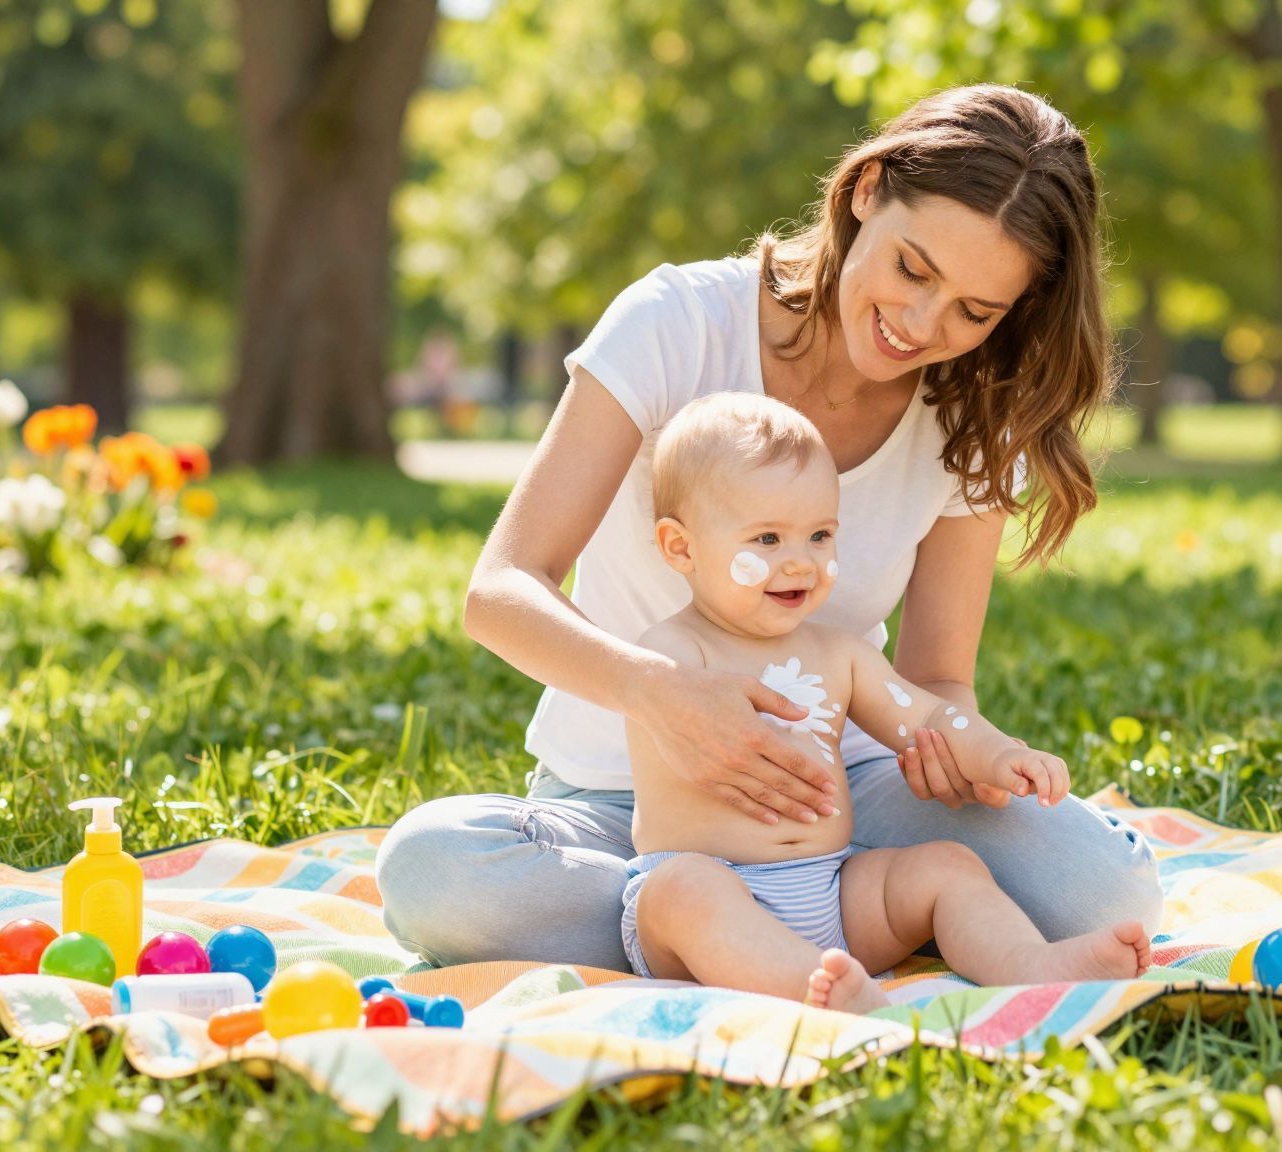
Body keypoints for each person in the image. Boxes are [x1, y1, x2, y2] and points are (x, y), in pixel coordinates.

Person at [377, 84, 1162, 971]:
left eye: (974, 312)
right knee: (432, 873)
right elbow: (502, 588)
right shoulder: (678, 323)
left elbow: (938, 676)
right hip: (625, 807)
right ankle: (732, 924)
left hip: (843, 796)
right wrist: (661, 697)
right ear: (867, 191)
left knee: (1107, 893)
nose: (921, 324)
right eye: (912, 269)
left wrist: (956, 751)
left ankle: (774, 930)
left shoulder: (967, 412)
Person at [621, 393, 1151, 1011]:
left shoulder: (837, 653)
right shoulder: (670, 657)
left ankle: (1034, 965)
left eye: (820, 535)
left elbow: (925, 717)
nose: (802, 561)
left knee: (946, 867)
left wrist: (996, 752)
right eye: (766, 538)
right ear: (681, 548)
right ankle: (813, 991)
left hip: (831, 891)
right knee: (685, 890)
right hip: (703, 909)